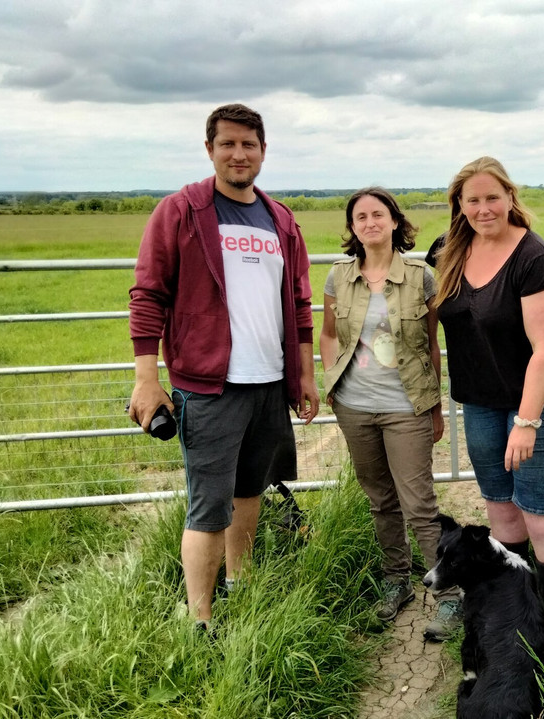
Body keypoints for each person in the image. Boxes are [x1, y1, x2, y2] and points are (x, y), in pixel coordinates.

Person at [128, 103, 319, 634]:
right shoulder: (182, 211)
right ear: (209, 148)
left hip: (268, 384)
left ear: (263, 151)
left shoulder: (280, 219)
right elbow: (148, 295)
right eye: (228, 143)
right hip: (209, 387)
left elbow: (299, 304)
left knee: (250, 491)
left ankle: (242, 584)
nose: (239, 153)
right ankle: (201, 620)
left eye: (249, 144)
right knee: (208, 505)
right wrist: (147, 378)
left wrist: (303, 374)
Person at [433, 157, 544, 619]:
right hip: (482, 396)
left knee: (540, 504)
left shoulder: (535, 258)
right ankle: (512, 598)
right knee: (500, 503)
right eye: (473, 200)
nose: (484, 209)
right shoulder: (447, 251)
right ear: (459, 206)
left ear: (510, 199)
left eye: (492, 198)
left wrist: (526, 423)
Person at [319, 187, 462, 642]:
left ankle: (450, 595)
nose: (369, 222)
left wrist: (435, 407)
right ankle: (395, 578)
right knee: (380, 499)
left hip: (407, 407)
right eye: (360, 216)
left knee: (419, 504)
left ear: (395, 223)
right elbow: (327, 335)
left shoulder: (422, 277)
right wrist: (332, 380)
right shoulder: (337, 277)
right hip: (355, 407)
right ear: (353, 227)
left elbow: (431, 345)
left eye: (378, 214)